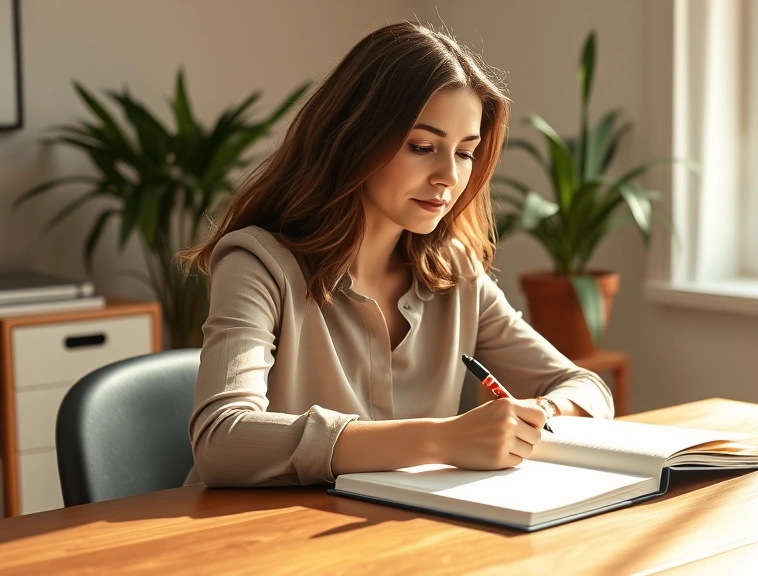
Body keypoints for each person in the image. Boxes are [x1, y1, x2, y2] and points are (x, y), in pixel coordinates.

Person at [178, 22, 614, 488]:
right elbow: (221, 440)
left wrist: (537, 413)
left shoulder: (456, 273)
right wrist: (441, 440)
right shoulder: (257, 263)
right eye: (422, 147)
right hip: (259, 543)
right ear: (354, 137)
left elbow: (588, 389)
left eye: (465, 153)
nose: (448, 175)